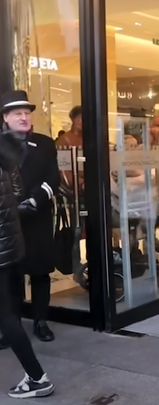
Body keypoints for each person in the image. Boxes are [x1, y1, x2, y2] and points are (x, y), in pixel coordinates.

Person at [0, 90, 60, 343]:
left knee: (39, 273)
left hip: (37, 218)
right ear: (5, 117)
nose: (24, 117)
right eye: (18, 113)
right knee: (11, 276)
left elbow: (52, 178)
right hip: (8, 222)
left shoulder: (45, 143)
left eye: (27, 113)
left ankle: (40, 321)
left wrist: (35, 200)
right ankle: (11, 328)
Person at [0, 126, 55, 398]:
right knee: (8, 312)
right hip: (8, 244)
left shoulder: (37, 146)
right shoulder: (7, 155)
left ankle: (37, 377)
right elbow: (17, 190)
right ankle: (36, 377)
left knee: (7, 316)